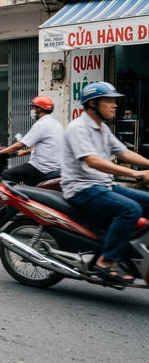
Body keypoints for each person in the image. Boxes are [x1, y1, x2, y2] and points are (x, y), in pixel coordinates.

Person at [62, 81, 149, 284]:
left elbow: (124, 152)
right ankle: (106, 260)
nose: (115, 105)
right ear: (92, 103)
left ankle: (132, 249)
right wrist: (136, 174)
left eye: (114, 101)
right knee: (130, 209)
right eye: (109, 101)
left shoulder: (102, 129)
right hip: (81, 188)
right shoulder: (78, 128)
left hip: (104, 185)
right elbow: (92, 161)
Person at [0, 96, 63, 185]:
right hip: (55, 166)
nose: (32, 110)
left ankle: (15, 198)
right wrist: (25, 152)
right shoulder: (56, 124)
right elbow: (48, 146)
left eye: (33, 107)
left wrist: (1, 152)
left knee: (7, 174)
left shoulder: (41, 125)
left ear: (39, 109)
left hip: (41, 167)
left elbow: (20, 145)